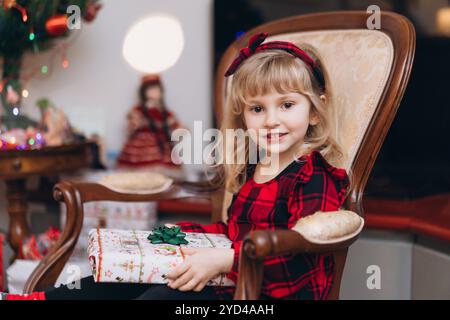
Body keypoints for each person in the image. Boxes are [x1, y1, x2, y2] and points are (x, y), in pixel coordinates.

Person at [0, 32, 349, 300]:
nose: (271, 120)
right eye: (258, 109)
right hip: (231, 279)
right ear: (244, 117)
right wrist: (174, 238)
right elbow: (232, 233)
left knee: (167, 294)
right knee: (119, 279)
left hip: (263, 296)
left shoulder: (312, 176)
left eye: (286, 105)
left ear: (315, 111)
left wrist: (226, 260)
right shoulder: (256, 168)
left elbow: (300, 257)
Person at [116, 74, 184, 179]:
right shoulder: (139, 110)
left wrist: (180, 129)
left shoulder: (164, 112)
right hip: (141, 146)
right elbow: (132, 124)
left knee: (163, 170)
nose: (154, 92)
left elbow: (175, 125)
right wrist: (134, 124)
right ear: (144, 92)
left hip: (162, 144)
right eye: (150, 90)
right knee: (140, 175)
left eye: (157, 90)